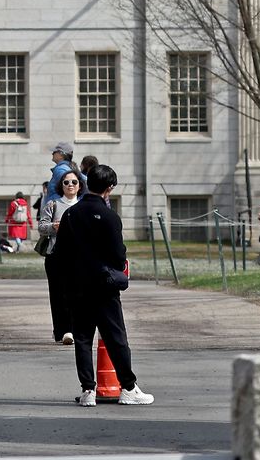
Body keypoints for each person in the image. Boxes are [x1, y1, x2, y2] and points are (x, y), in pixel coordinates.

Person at [55, 164, 152, 406]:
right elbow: (119, 255)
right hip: (104, 286)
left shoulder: (70, 215)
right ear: (109, 188)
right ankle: (128, 387)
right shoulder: (110, 217)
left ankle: (88, 390)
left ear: (86, 184)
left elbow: (61, 253)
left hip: (77, 286)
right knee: (116, 338)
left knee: (83, 339)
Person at [37, 170, 84, 344]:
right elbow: (41, 227)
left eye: (74, 182)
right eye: (66, 182)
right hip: (55, 255)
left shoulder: (83, 205)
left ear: (79, 185)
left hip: (78, 257)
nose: (70, 185)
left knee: (76, 294)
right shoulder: (53, 204)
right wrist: (54, 227)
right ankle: (62, 330)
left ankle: (73, 329)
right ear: (61, 186)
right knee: (57, 294)